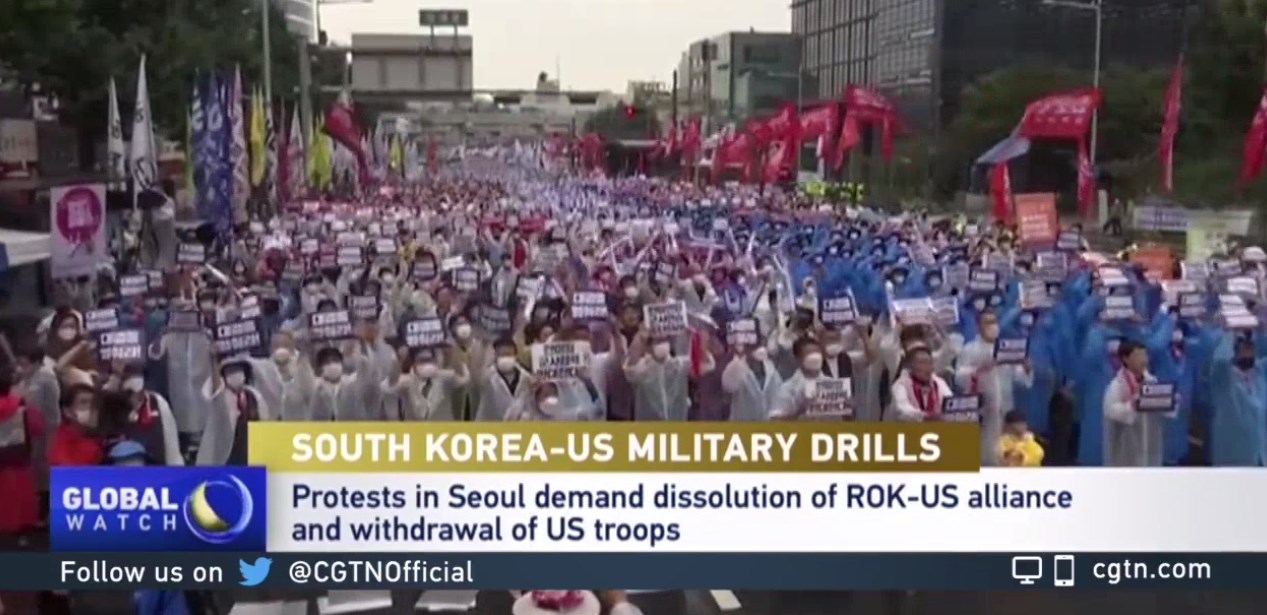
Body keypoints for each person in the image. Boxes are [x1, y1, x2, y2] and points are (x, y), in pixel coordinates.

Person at [955, 311, 1033, 465]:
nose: (993, 326)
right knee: (984, 451)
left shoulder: (1006, 348)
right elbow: (959, 378)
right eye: (988, 322)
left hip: (1005, 407)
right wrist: (980, 369)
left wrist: (1027, 368)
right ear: (979, 326)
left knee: (1006, 453)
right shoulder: (970, 349)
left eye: (994, 321)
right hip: (983, 410)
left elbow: (1020, 379)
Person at [1102, 340, 1171, 466]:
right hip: (1125, 445)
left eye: (1145, 355)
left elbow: (1162, 408)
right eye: (1138, 356)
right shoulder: (1117, 385)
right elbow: (1110, 410)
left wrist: (1169, 401)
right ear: (1126, 359)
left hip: (1149, 442)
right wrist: (1132, 406)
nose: (1143, 360)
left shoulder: (1152, 382)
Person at [197, 357, 269, 466]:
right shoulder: (222, 399)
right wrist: (214, 362)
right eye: (230, 371)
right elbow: (215, 394)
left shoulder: (255, 396)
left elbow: (265, 422)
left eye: (238, 369)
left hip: (252, 455)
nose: (235, 374)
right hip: (227, 457)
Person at [1208, 332, 1267, 466]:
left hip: (1261, 458)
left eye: (1250, 346)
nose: (1248, 349)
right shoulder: (1223, 377)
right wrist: (1231, 332)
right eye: (1244, 346)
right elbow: (1220, 360)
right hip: (1234, 458)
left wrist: (1262, 331)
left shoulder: (1260, 373)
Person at [0, 370, 42, 542]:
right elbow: (37, 428)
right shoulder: (22, 405)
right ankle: (22, 527)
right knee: (19, 493)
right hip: (18, 460)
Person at [888, 347, 954, 422]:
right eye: (922, 363)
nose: (927, 368)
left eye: (929, 363)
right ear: (910, 366)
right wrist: (925, 416)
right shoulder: (901, 385)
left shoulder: (938, 382)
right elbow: (901, 410)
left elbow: (950, 402)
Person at [48, 384, 104, 467]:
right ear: (67, 412)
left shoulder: (102, 438)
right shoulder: (59, 441)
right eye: (84, 402)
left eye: (94, 403)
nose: (91, 407)